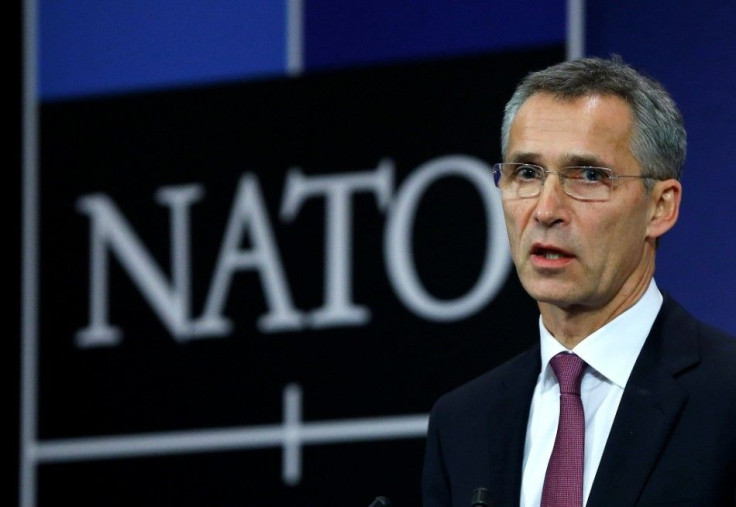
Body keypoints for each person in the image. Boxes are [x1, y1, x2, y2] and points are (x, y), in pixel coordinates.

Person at [422, 57, 736, 506]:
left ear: (660, 206)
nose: (547, 210)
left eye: (589, 176)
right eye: (526, 173)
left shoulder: (725, 397)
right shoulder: (463, 422)